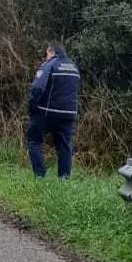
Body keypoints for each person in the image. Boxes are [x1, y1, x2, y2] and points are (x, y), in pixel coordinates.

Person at [27, 42, 81, 179]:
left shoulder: (50, 64)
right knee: (65, 146)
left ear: (51, 52)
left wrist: (32, 106)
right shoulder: (74, 67)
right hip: (69, 114)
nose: (46, 57)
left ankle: (40, 177)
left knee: (34, 141)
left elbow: (37, 88)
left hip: (46, 112)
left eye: (46, 54)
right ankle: (64, 179)